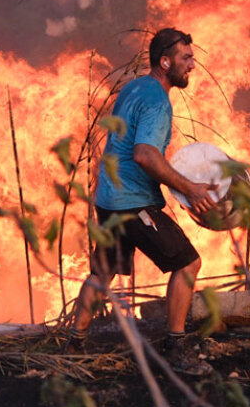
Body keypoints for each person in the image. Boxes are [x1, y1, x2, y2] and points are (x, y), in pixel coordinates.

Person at [70, 27, 216, 376]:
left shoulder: (134, 86)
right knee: (188, 265)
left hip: (108, 197)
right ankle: (176, 347)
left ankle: (74, 341)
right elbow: (145, 156)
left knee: (102, 272)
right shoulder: (157, 100)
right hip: (132, 203)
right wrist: (190, 188)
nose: (192, 65)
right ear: (165, 62)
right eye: (185, 58)